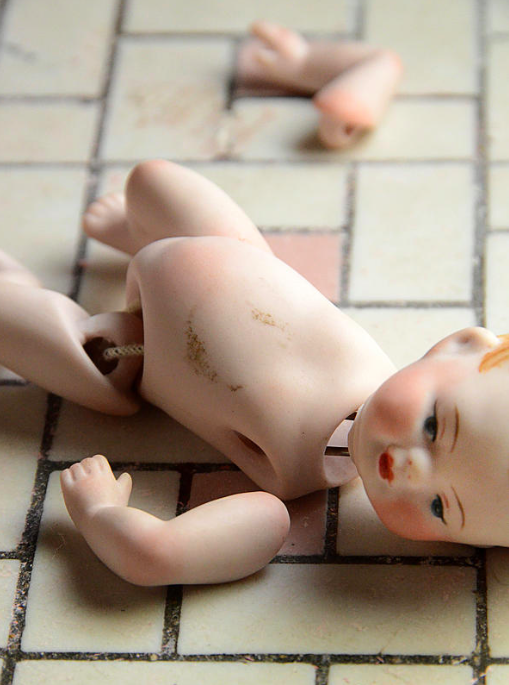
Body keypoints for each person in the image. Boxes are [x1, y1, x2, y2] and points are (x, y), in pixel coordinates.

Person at [0, 159, 394, 585]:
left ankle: (12, 283)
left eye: (437, 506)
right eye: (433, 424)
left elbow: (156, 554)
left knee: (78, 355)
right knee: (151, 178)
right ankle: (136, 231)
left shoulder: (278, 499)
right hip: (230, 249)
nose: (409, 466)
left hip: (143, 352)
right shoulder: (384, 375)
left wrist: (99, 511)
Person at [236, 20, 403, 148]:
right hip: (371, 70)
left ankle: (347, 103)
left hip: (372, 71)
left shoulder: (380, 63)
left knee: (382, 64)